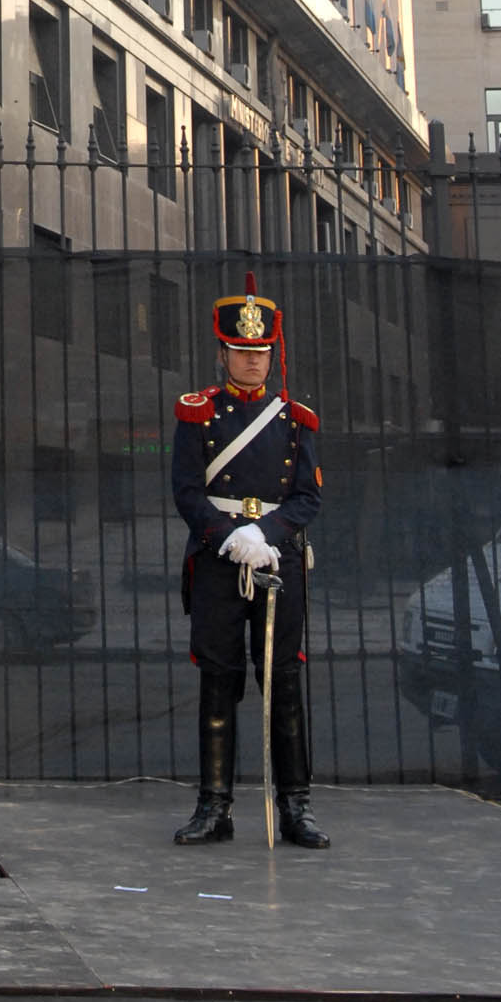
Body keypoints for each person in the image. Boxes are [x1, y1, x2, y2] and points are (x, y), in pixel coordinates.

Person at [170, 273, 328, 849]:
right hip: (219, 560)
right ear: (223, 352)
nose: (253, 361)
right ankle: (214, 806)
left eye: (260, 352)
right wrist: (230, 536)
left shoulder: (293, 419)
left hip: (277, 561)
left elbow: (309, 496)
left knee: (283, 682)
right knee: (219, 680)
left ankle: (296, 806)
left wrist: (267, 533)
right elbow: (187, 491)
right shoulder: (197, 413)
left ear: (271, 354)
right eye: (242, 351)